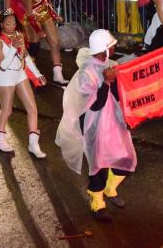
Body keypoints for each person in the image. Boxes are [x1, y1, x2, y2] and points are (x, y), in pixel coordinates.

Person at [55, 29, 137, 222]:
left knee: (124, 157)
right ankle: (97, 201)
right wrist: (107, 82)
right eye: (112, 45)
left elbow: (119, 95)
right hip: (94, 125)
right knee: (98, 163)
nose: (115, 47)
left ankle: (110, 189)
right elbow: (96, 104)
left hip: (113, 122)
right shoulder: (86, 72)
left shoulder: (110, 64)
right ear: (105, 49)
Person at [0, 9, 47, 158]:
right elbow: (3, 65)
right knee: (7, 110)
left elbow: (25, 56)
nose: (12, 25)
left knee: (33, 109)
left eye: (14, 22)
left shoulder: (18, 36)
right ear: (1, 24)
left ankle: (33, 144)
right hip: (5, 77)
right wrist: (13, 47)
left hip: (20, 74)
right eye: (8, 23)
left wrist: (38, 74)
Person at [23, 0, 68, 84]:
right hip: (33, 20)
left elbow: (48, 4)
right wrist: (39, 30)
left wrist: (55, 15)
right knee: (34, 47)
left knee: (55, 43)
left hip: (45, 16)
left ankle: (58, 75)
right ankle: (29, 72)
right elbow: (28, 12)